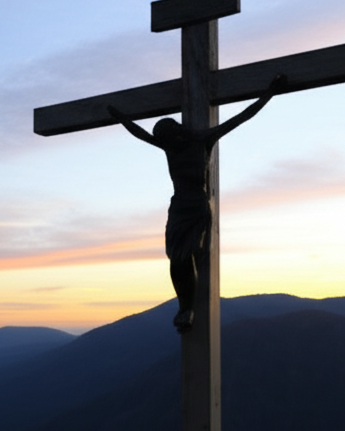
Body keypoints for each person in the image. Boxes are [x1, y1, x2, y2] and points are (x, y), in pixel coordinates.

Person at [108, 73, 287, 333]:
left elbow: (242, 117)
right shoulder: (169, 146)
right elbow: (140, 133)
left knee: (187, 254)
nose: (169, 139)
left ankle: (187, 308)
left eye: (170, 133)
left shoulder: (202, 139)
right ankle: (185, 306)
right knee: (175, 258)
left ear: (177, 130)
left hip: (196, 206)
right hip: (179, 206)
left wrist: (269, 93)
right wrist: (119, 118)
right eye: (164, 137)